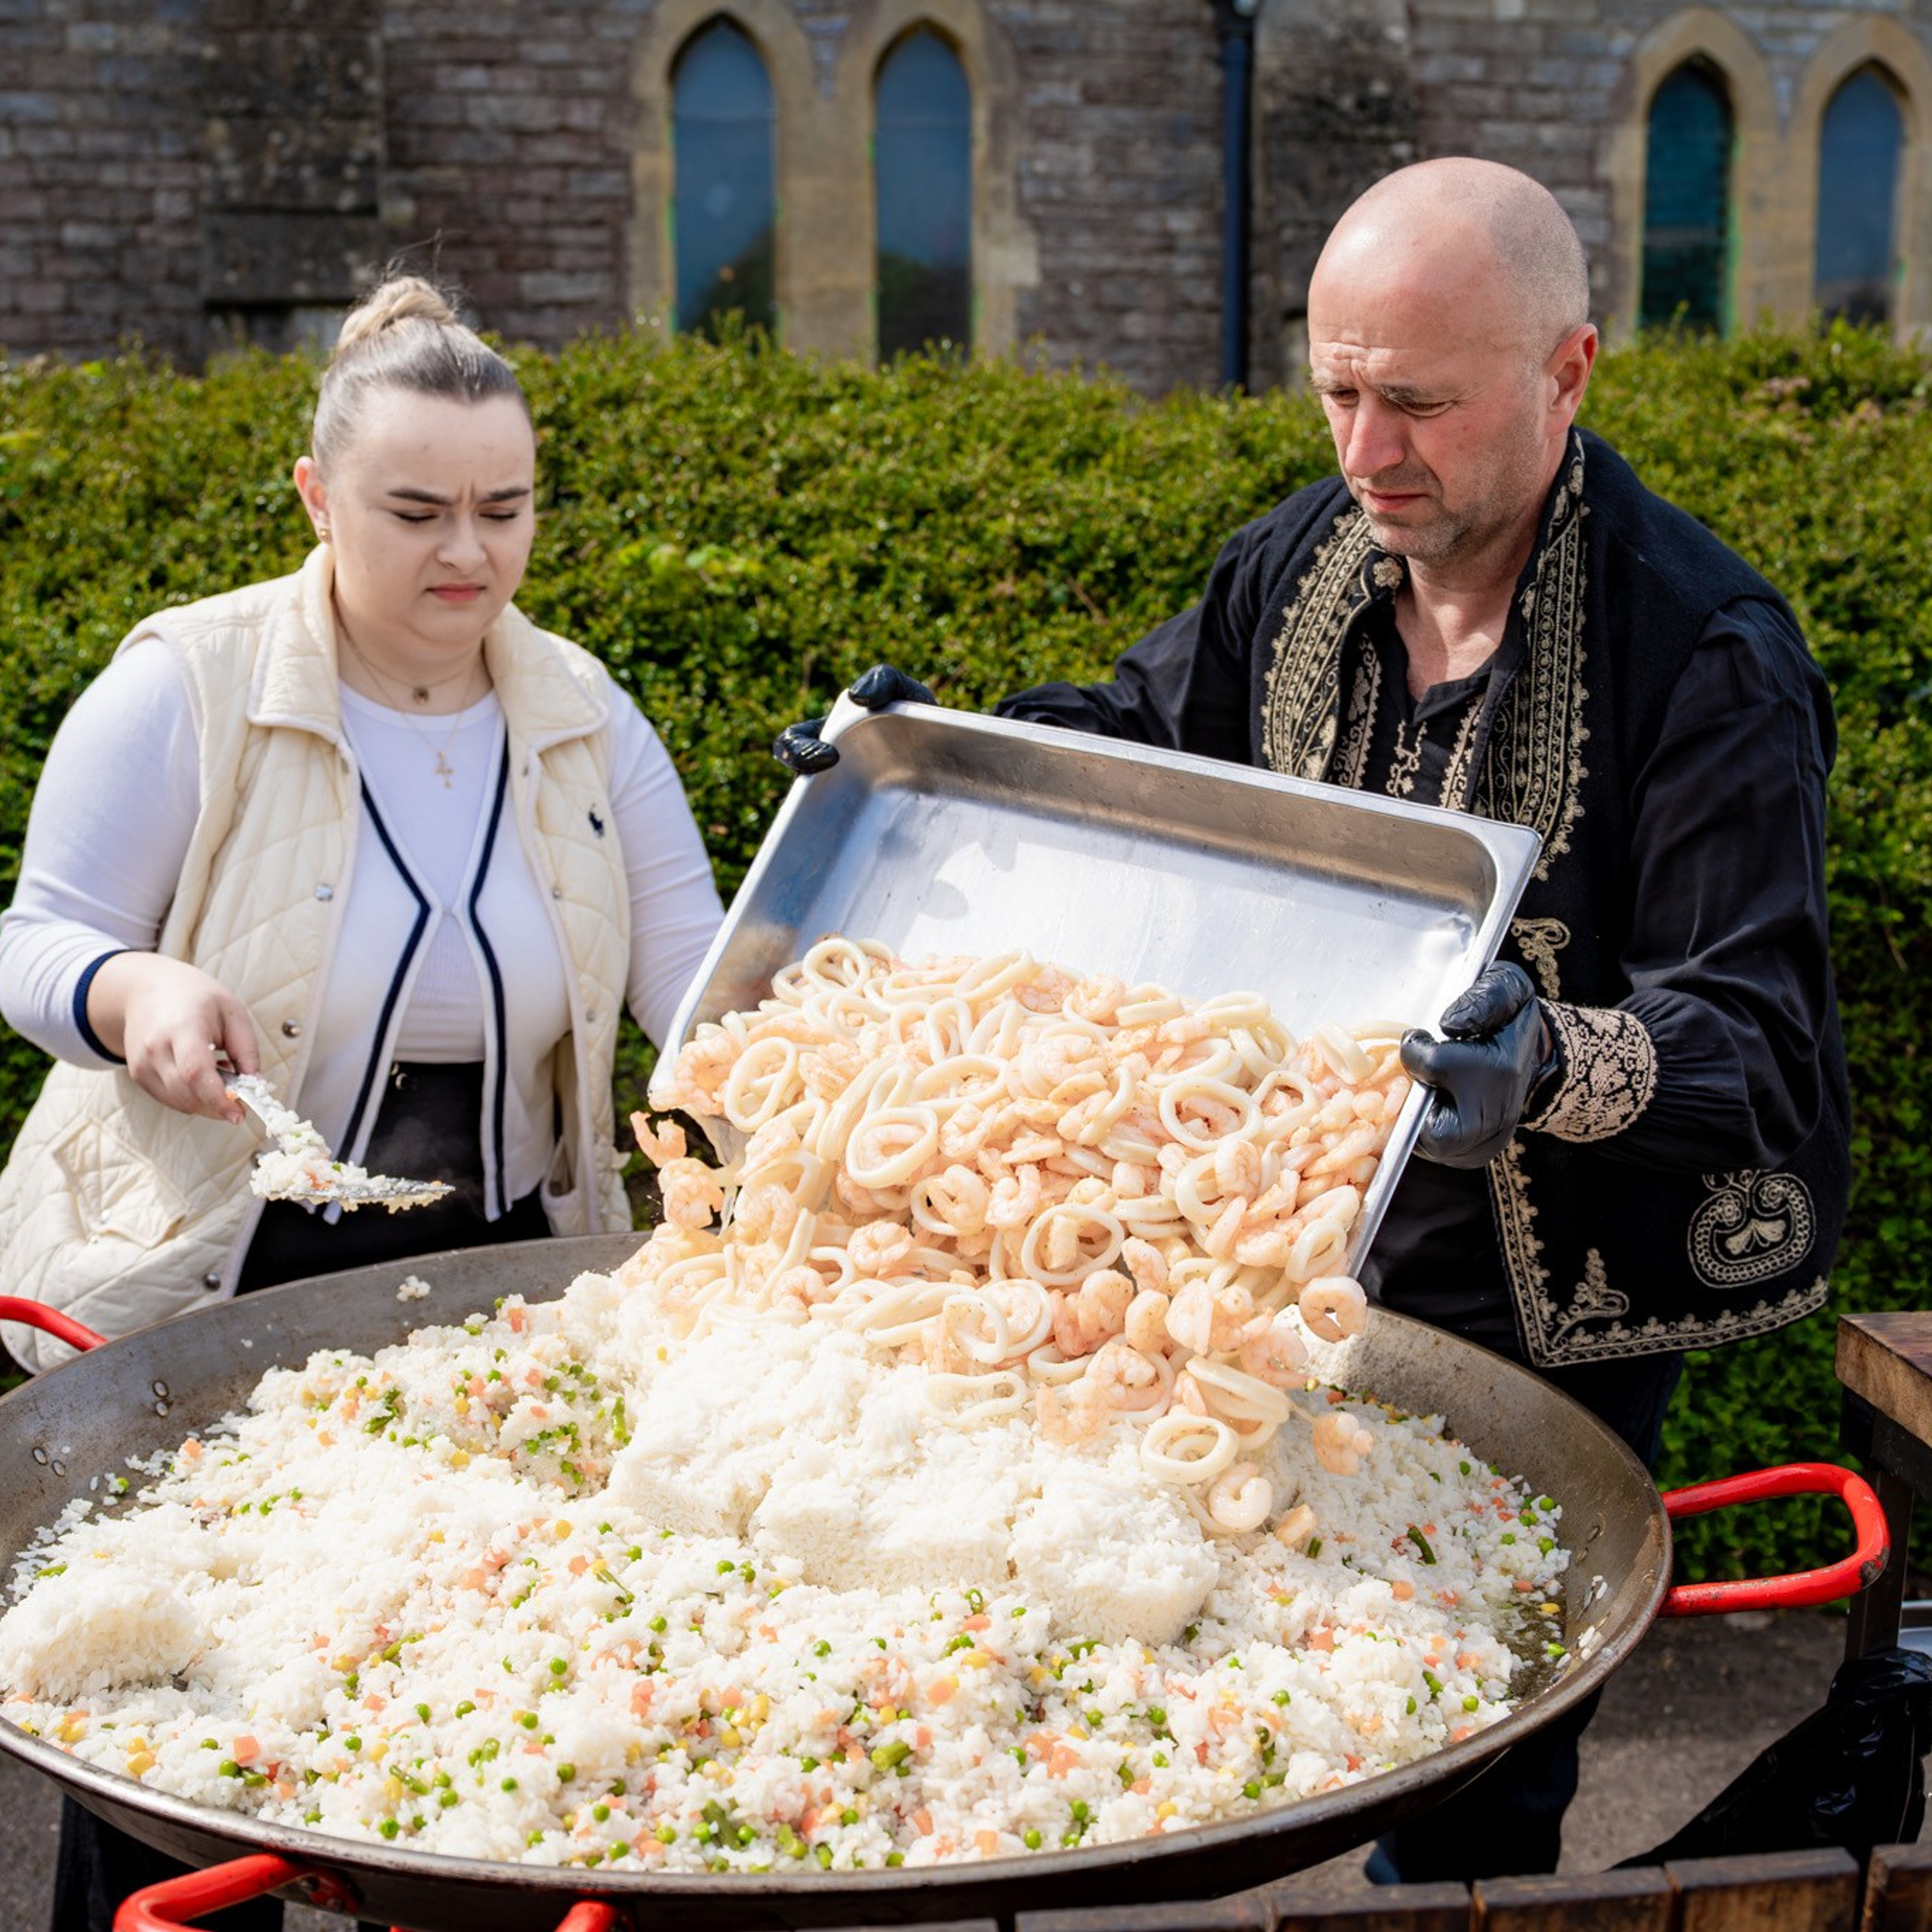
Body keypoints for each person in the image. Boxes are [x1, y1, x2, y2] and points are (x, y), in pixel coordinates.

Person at [774, 157, 1851, 1880]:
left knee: (1468, 1772)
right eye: (1338, 392)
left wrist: (1549, 1060)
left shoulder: (1705, 652)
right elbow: (1143, 743)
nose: (1366, 452)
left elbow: (1760, 1039)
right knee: (1188, 1714)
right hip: (1254, 1272)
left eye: (1417, 402)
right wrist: (944, 753)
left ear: (1567, 373)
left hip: (1531, 1315)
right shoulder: (1298, 561)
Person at [0, 273, 724, 1930]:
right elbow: (34, 941)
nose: (468, 553)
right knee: (185, 1711)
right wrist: (137, 994)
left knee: (484, 1705)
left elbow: (694, 981)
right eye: (415, 512)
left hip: (495, 1280)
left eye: (504, 509)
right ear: (319, 496)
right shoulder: (189, 681)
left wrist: (809, 1077)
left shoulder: (583, 712)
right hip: (217, 1271)